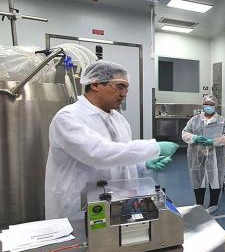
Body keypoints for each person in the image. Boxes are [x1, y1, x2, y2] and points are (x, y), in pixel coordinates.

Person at [45, 60, 178, 219]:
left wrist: (143, 164)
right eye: (119, 86)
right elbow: (99, 153)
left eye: (126, 88)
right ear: (95, 84)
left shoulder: (119, 120)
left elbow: (120, 155)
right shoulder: (68, 118)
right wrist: (154, 147)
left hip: (116, 205)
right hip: (77, 209)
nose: (124, 94)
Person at [181, 94, 225, 214]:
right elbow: (184, 133)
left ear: (216, 106)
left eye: (211, 105)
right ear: (203, 105)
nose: (209, 107)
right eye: (207, 104)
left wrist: (213, 141)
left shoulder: (221, 120)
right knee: (199, 178)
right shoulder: (194, 120)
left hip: (216, 155)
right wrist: (195, 138)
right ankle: (199, 204)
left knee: (216, 178)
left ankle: (213, 204)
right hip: (197, 155)